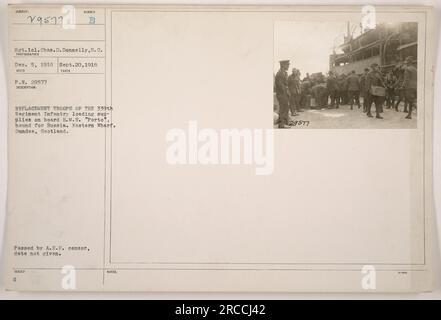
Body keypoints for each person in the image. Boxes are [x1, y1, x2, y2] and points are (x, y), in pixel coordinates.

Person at [275, 60, 291, 128]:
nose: (288, 66)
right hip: (281, 94)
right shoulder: (280, 73)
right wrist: (286, 91)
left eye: (288, 65)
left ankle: (285, 122)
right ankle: (281, 124)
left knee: (285, 108)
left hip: (284, 93)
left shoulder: (284, 73)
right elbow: (281, 86)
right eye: (287, 65)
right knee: (283, 108)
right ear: (283, 65)